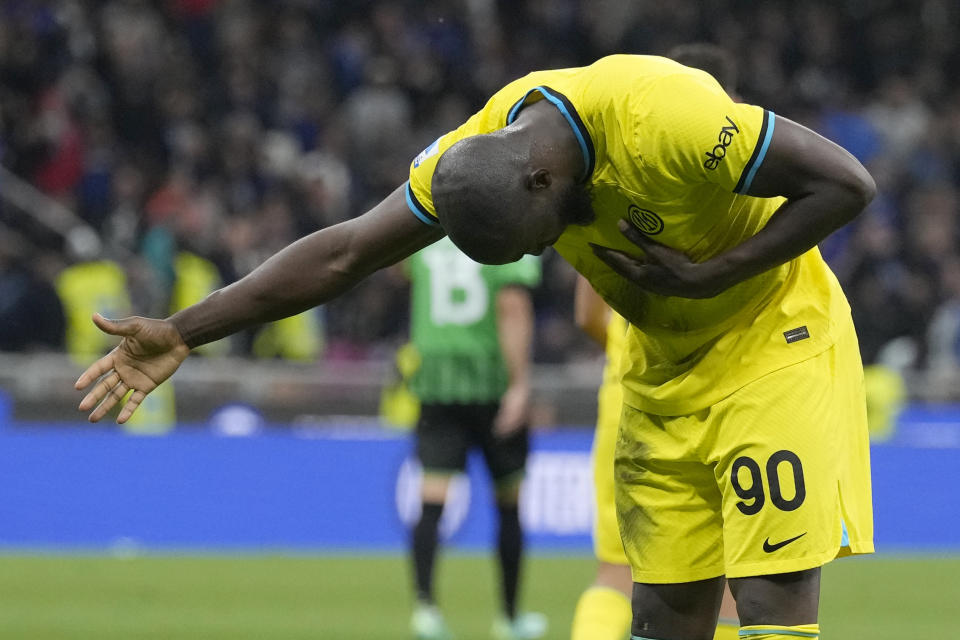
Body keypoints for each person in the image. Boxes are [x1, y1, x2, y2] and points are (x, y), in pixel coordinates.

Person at [76, 54, 875, 640]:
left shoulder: (666, 116)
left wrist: (716, 274)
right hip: (661, 371)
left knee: (769, 596)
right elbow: (346, 251)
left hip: (773, 341)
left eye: (532, 242)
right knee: (662, 614)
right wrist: (185, 329)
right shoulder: (475, 151)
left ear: (539, 182)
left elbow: (846, 182)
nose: (538, 256)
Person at [570, 43, 744, 640]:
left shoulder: (616, 182)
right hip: (720, 398)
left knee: (616, 575)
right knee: (725, 591)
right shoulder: (739, 188)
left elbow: (588, 311)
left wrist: (629, 352)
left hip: (628, 393)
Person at [405, 237, 546, 640]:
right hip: (492, 387)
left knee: (431, 500)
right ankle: (509, 617)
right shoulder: (501, 231)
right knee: (508, 504)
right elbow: (512, 306)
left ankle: (425, 609)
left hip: (436, 384)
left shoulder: (423, 242)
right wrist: (520, 386)